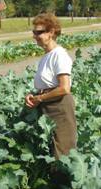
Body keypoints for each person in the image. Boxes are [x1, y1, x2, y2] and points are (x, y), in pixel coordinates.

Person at [25, 13, 77, 160]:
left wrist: (40, 98)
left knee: (62, 152)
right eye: (33, 32)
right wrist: (33, 95)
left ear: (51, 32)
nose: (35, 36)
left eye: (39, 32)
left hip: (59, 107)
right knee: (52, 150)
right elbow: (47, 85)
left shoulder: (59, 55)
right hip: (48, 104)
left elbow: (64, 88)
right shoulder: (46, 56)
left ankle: (63, 183)